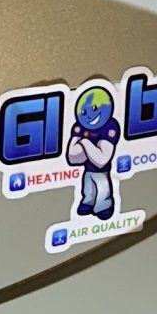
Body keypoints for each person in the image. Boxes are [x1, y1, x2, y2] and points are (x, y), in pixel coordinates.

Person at [67, 83, 120, 221]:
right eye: (84, 112)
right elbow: (72, 157)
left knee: (102, 189)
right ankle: (88, 202)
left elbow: (102, 160)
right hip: (88, 170)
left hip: (101, 171)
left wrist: (84, 142)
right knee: (88, 189)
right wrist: (84, 145)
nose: (89, 116)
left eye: (94, 108)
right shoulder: (79, 127)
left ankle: (104, 206)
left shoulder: (110, 126)